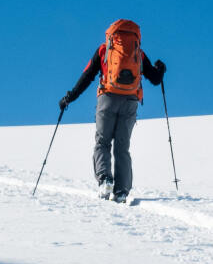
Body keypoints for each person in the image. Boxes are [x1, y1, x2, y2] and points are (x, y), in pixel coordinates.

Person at [59, 19, 166, 203]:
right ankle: (122, 190)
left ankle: (105, 179)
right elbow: (155, 79)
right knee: (122, 147)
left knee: (102, 142)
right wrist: (160, 69)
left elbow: (87, 76)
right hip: (130, 101)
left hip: (107, 99)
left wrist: (69, 97)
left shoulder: (104, 50)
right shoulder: (138, 53)